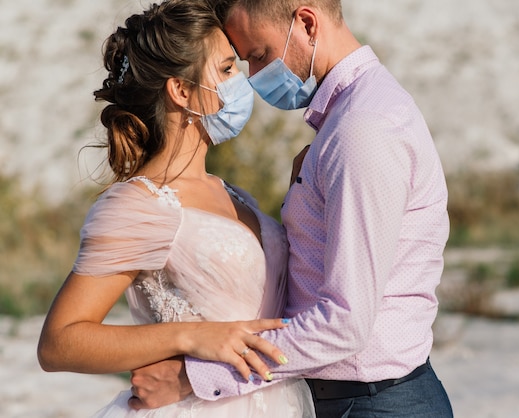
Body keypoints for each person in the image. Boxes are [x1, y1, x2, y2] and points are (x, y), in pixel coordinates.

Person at [130, 0, 454, 416]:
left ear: (306, 23)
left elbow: (344, 323)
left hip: (373, 402)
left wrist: (193, 378)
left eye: (260, 56)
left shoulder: (362, 130)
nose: (258, 77)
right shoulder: (349, 120)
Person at [36, 0, 315, 416]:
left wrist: (304, 195)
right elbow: (59, 343)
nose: (242, 82)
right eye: (225, 70)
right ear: (181, 91)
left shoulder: (233, 193)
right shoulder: (140, 205)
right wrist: (191, 337)